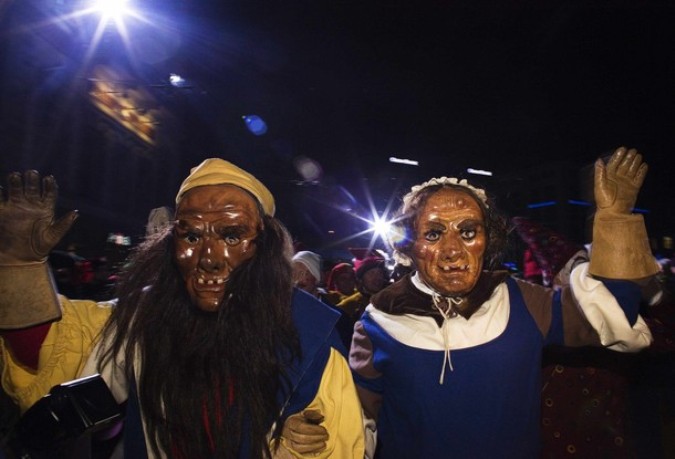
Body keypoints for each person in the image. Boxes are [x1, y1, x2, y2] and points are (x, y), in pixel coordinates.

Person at [0, 160, 365, 458]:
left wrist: (298, 448)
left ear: (263, 246)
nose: (208, 259)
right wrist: (21, 268)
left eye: (232, 235)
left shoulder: (309, 330)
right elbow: (58, 358)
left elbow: (341, 439)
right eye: (191, 236)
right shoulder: (145, 316)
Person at [348, 147, 660, 458]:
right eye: (433, 234)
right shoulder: (378, 322)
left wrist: (615, 220)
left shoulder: (523, 301)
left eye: (468, 231)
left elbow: (613, 314)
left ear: (488, 239)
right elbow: (356, 427)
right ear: (408, 246)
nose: (453, 249)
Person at [291, 250, 354, 350]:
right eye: (295, 273)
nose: (299, 280)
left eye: (306, 273)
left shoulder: (337, 318)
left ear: (316, 278)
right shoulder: (283, 314)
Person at [336, 256, 388, 323]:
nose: (377, 278)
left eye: (380, 273)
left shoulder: (390, 299)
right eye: (371, 274)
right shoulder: (347, 306)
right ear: (361, 279)